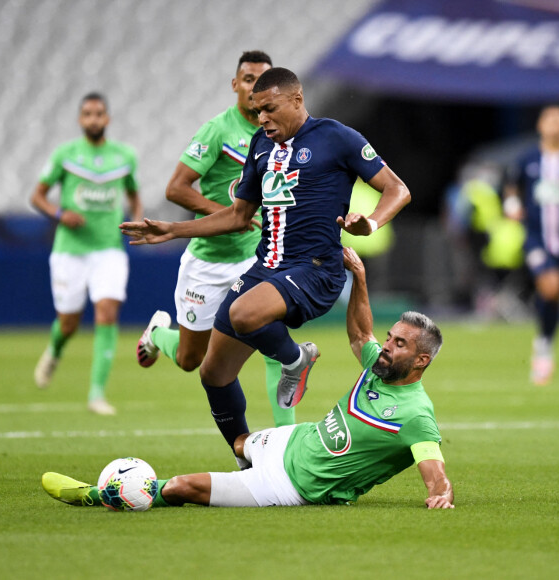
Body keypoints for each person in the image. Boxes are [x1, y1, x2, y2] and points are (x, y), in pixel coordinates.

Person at [120, 67, 411, 461]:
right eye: (257, 111)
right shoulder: (260, 145)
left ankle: (296, 359)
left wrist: (371, 222)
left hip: (316, 268)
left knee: (243, 314)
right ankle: (245, 457)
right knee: (212, 373)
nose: (262, 119)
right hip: (265, 268)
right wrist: (173, 229)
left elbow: (398, 189)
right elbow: (239, 216)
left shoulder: (336, 137)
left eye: (270, 109)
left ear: (297, 99)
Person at [41, 247, 454, 509]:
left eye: (399, 344)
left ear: (420, 362)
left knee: (183, 487)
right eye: (390, 337)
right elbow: (360, 333)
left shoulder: (416, 415)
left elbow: (434, 472)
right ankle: (237, 474)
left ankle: (98, 495)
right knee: (239, 443)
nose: (385, 346)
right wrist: (359, 278)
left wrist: (441, 493)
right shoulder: (377, 368)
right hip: (292, 441)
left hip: (290, 485)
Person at [137, 51, 294, 427]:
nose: (254, 86)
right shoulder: (218, 130)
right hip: (208, 262)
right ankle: (159, 333)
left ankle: (288, 445)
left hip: (255, 258)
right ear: (235, 85)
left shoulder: (276, 131)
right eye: (248, 79)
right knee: (194, 360)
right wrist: (225, 216)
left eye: (263, 80)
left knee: (275, 345)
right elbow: (176, 188)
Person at [31, 92, 143, 415]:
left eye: (98, 114)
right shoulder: (66, 154)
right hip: (70, 250)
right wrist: (59, 214)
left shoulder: (124, 156)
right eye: (87, 114)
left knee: (107, 313)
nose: (93, 119)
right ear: (81, 120)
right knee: (68, 323)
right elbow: (37, 196)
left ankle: (97, 394)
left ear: (107, 118)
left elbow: (135, 195)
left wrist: (136, 217)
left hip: (109, 249)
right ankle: (54, 350)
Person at [504, 104, 559, 385]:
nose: (555, 124)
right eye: (550, 119)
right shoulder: (529, 158)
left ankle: (546, 336)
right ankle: (543, 346)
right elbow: (510, 185)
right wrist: (512, 204)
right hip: (537, 237)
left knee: (554, 293)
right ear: (540, 125)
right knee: (550, 286)